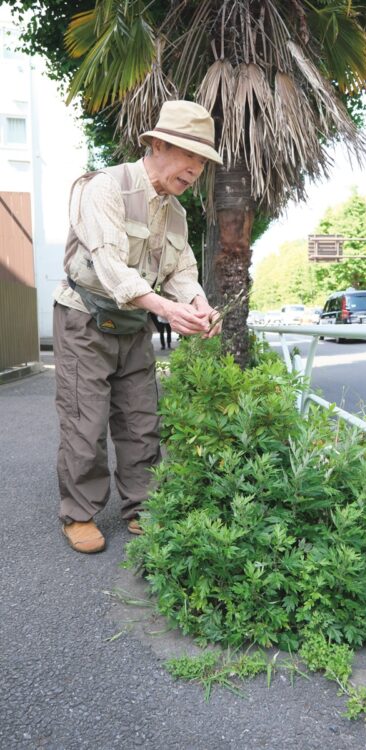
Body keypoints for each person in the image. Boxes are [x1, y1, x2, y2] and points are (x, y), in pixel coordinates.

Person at [53, 100, 222, 554]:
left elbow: (181, 270)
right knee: (84, 422)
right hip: (84, 317)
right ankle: (80, 514)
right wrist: (168, 311)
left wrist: (199, 304)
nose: (196, 170)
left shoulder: (177, 212)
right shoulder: (104, 187)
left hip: (132, 325)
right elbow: (110, 268)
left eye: (203, 162)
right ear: (160, 144)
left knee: (141, 420)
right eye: (191, 156)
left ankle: (141, 507)